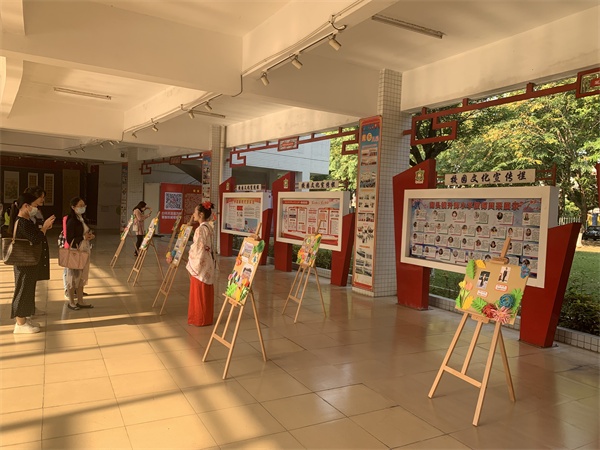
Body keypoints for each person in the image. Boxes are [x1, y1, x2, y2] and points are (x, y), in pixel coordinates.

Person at [9, 193, 55, 333]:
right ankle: (20, 323)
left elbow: (35, 236)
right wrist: (44, 227)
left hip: (29, 262)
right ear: (26, 206)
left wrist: (44, 228)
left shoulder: (26, 221)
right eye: (35, 205)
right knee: (23, 290)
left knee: (28, 289)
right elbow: (36, 239)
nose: (37, 208)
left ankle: (25, 318)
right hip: (24, 263)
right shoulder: (22, 222)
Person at [185, 202, 215, 326]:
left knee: (199, 292)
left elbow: (198, 248)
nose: (193, 214)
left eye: (195, 212)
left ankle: (199, 319)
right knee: (205, 292)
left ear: (201, 214)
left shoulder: (200, 229)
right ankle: (206, 318)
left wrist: (190, 255)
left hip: (201, 263)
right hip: (208, 261)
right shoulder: (208, 227)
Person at [23, 186, 50, 316]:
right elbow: (33, 236)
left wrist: (44, 228)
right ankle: (24, 314)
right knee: (26, 286)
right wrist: (43, 228)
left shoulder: (36, 212)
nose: (42, 200)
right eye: (41, 197)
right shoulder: (23, 218)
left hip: (36, 250)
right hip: (27, 254)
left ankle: (31, 308)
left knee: (32, 283)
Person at [64, 197, 95, 310]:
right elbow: (69, 239)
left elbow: (86, 232)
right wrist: (83, 237)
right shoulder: (71, 221)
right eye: (80, 206)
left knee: (82, 276)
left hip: (84, 250)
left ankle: (80, 300)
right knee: (73, 277)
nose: (83, 207)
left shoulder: (82, 219)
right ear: (73, 207)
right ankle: (72, 302)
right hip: (75, 251)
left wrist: (90, 236)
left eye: (84, 205)